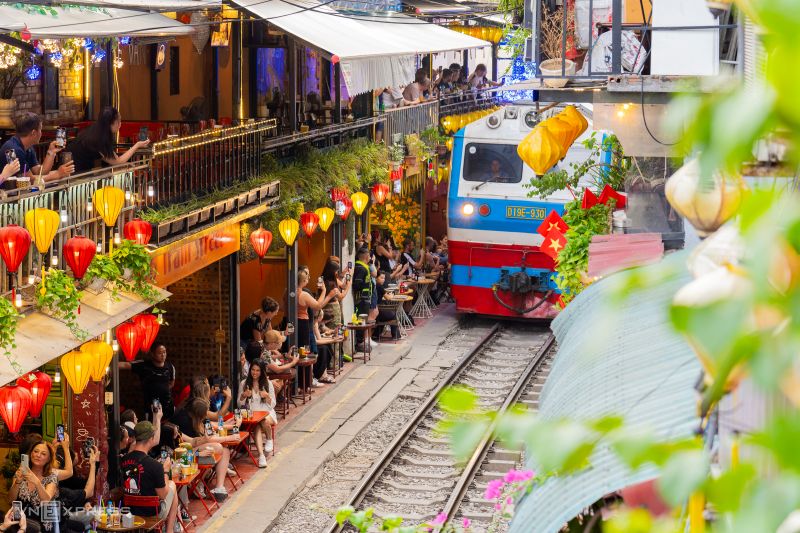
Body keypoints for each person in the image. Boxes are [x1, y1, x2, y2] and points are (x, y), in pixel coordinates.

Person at [170, 397, 236, 502]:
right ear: (198, 415)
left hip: (192, 449)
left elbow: (204, 436)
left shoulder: (199, 419)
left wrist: (228, 425)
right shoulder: (184, 422)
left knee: (225, 450)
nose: (206, 416)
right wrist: (226, 438)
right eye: (205, 414)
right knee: (217, 447)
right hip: (182, 455)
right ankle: (197, 482)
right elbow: (187, 445)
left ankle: (219, 488)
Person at [119, 418, 179, 532]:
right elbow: (163, 495)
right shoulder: (155, 466)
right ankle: (170, 530)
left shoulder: (123, 460)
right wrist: (165, 471)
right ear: (151, 439)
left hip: (129, 510)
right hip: (151, 513)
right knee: (172, 486)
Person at [65, 106, 150, 174]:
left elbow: (115, 159)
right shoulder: (99, 138)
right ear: (111, 123)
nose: (120, 124)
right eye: (119, 121)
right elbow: (117, 162)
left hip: (75, 168)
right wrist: (137, 146)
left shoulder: (97, 130)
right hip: (73, 172)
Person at [0, 112, 73, 188]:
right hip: (7, 194)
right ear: (34, 133)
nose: (41, 133)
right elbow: (30, 180)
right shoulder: (12, 150)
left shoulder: (28, 146)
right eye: (40, 130)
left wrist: (51, 152)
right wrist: (58, 174)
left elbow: (40, 172)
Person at [9, 440, 59, 531]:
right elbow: (11, 499)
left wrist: (36, 482)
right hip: (19, 523)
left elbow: (46, 500)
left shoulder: (51, 476)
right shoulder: (21, 472)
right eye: (35, 451)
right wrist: (17, 482)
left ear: (48, 459)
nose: (38, 455)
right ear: (31, 453)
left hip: (41, 525)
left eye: (43, 454)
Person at [119, 343, 176, 419]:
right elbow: (125, 365)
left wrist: (162, 390)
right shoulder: (144, 365)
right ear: (152, 354)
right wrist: (108, 364)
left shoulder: (170, 367)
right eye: (159, 353)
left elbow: (171, 383)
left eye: (164, 352)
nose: (163, 355)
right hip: (150, 407)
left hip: (168, 406)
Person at [238, 359, 277, 467]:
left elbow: (273, 404)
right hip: (253, 415)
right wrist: (244, 395)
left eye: (258, 370)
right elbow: (239, 404)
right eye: (253, 370)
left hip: (267, 412)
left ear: (262, 372)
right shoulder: (244, 383)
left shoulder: (268, 384)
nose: (254, 373)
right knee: (257, 427)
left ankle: (269, 439)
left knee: (263, 420)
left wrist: (267, 396)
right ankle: (261, 456)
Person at [297, 270, 334, 354]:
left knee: (295, 346)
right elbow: (318, 306)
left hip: (291, 321)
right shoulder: (304, 294)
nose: (308, 280)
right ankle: (306, 366)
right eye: (307, 279)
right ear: (303, 281)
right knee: (305, 347)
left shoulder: (288, 292)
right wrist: (324, 290)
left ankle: (296, 364)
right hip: (302, 323)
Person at [352, 247, 373, 349]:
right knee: (361, 321)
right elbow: (357, 284)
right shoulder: (361, 268)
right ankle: (359, 343)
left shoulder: (364, 266)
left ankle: (360, 342)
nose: (370, 257)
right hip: (361, 300)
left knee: (363, 320)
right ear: (365, 256)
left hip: (364, 299)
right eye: (369, 255)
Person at [372, 271, 401, 342]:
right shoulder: (379, 286)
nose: (383, 280)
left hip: (376, 311)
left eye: (384, 278)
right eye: (381, 278)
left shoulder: (374, 285)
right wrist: (392, 294)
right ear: (376, 278)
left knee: (385, 314)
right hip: (378, 312)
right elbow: (388, 297)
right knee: (393, 315)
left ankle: (376, 334)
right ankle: (396, 335)